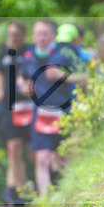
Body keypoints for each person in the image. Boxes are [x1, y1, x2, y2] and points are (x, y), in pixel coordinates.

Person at [20, 19, 86, 197]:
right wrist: (23, 86)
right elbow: (22, 77)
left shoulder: (66, 51)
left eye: (45, 34)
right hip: (40, 113)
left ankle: (69, 198)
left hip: (64, 112)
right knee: (41, 158)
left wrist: (65, 76)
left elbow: (86, 78)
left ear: (54, 35)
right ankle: (46, 203)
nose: (41, 38)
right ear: (32, 36)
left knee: (64, 158)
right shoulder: (28, 53)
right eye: (37, 34)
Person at [0, 21, 31, 206]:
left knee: (31, 152)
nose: (12, 37)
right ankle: (20, 191)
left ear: (23, 35)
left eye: (16, 34)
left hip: (28, 107)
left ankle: (22, 189)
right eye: (10, 34)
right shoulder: (4, 51)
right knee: (13, 148)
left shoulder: (29, 52)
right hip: (8, 108)